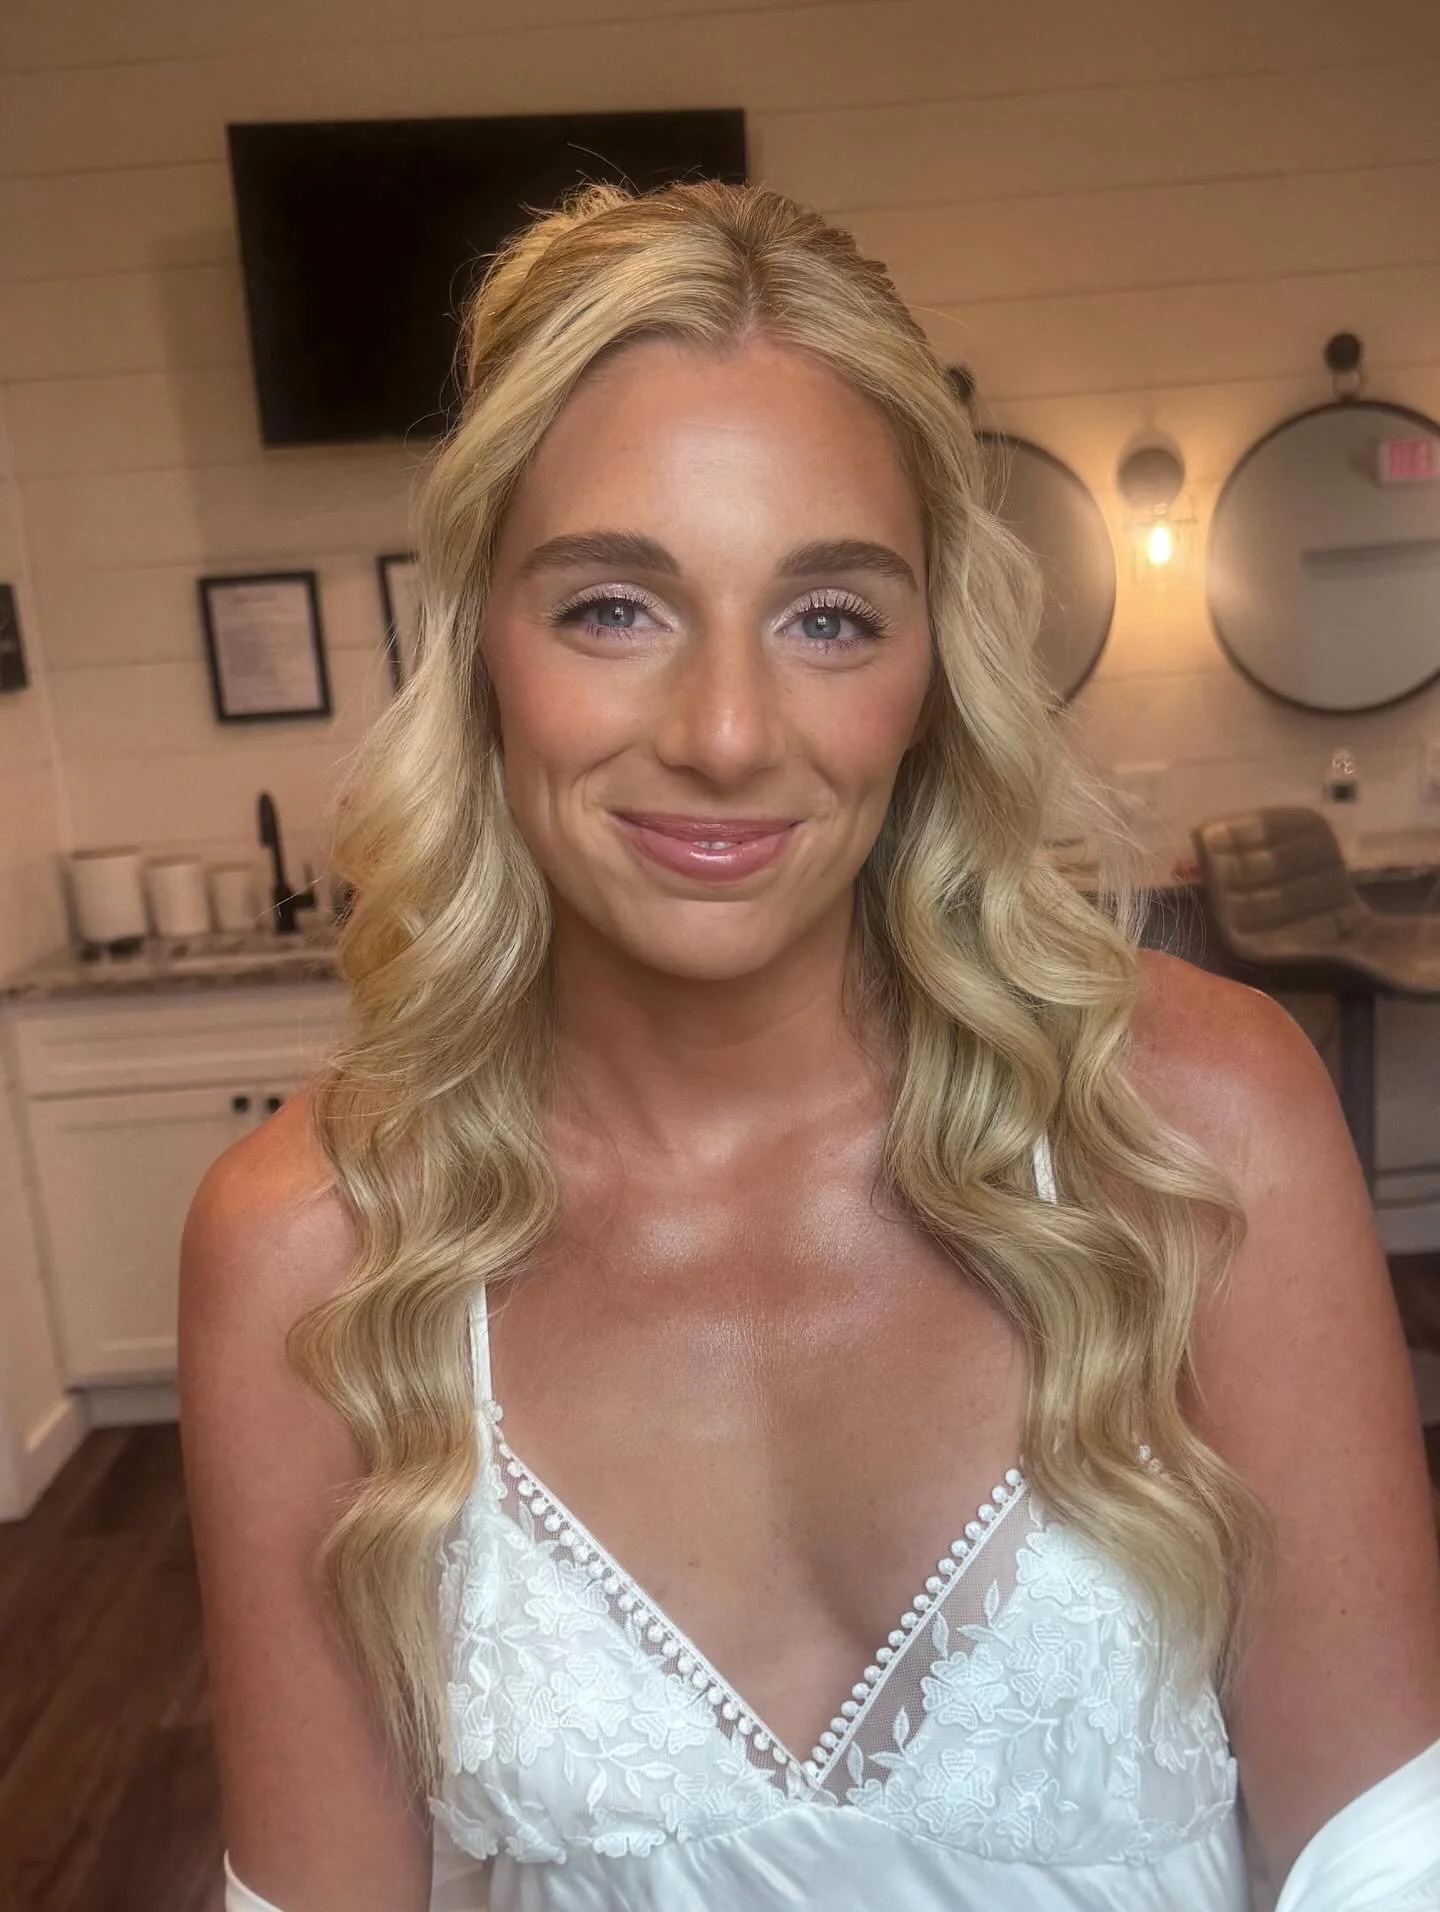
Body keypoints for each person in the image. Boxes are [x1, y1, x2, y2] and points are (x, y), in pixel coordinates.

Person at [178, 180, 1440, 1912]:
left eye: (828, 616)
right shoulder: (311, 1245)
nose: (725, 732)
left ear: (933, 665)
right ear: (479, 646)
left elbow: (1385, 1862)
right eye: (614, 607)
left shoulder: (1192, 1124)